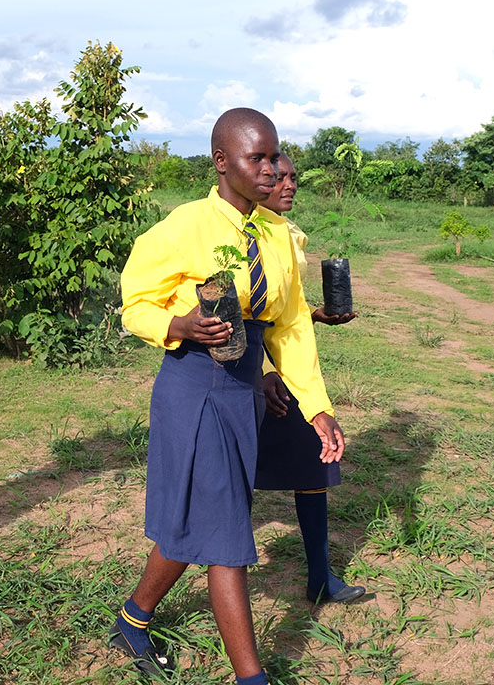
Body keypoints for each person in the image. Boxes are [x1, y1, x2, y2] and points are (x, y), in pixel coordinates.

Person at [110, 109, 342, 685]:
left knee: (199, 517)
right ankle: (251, 677)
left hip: (245, 387)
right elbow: (135, 301)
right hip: (195, 384)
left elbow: (288, 326)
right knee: (228, 536)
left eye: (273, 156)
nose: (270, 170)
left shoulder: (277, 236)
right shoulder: (184, 226)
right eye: (255, 159)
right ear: (221, 162)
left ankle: (133, 618)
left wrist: (317, 407)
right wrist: (179, 325)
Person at [254, 152, 366, 605]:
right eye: (278, 177)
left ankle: (320, 576)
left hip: (291, 373)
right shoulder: (244, 233)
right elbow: (235, 313)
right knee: (237, 478)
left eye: (292, 177)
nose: (288, 185)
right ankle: (227, 582)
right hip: (250, 375)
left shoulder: (287, 233)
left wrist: (315, 315)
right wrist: (262, 373)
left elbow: (285, 315)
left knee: (314, 465)